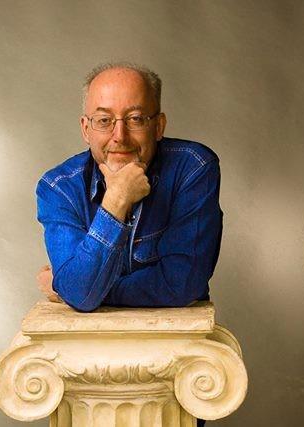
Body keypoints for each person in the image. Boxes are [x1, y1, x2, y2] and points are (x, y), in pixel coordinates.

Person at [36, 62, 223, 314]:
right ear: (86, 129)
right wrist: (117, 201)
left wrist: (69, 288)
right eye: (104, 120)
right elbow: (79, 292)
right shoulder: (58, 188)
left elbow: (182, 284)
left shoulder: (193, 168)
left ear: (158, 126)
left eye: (135, 119)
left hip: (175, 333)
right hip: (87, 336)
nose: (120, 136)